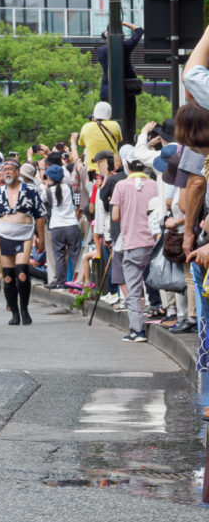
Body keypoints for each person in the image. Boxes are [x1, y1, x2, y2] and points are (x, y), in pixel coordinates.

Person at [0, 159, 47, 325]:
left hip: (24, 235)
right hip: (4, 236)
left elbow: (39, 216)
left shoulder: (30, 191)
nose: (7, 172)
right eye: (5, 170)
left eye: (10, 169)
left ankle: (24, 309)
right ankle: (14, 312)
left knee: (22, 273)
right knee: (9, 277)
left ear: (18, 171)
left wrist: (41, 238)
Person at [111, 159, 159, 342]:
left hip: (133, 241)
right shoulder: (154, 184)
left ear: (127, 168)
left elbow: (115, 215)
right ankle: (164, 310)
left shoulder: (121, 185)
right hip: (155, 241)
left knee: (133, 288)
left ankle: (137, 330)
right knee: (154, 280)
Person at [43, 164, 82, 290]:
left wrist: (46, 186)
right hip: (71, 224)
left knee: (59, 256)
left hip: (57, 227)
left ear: (50, 177)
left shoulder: (48, 191)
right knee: (75, 254)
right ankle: (77, 282)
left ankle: (61, 282)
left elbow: (42, 200)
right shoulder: (68, 186)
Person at [96, 21, 144, 101]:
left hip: (108, 92)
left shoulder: (100, 50)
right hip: (126, 91)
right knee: (129, 113)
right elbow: (139, 31)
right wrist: (123, 23)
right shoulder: (126, 47)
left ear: (107, 34)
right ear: (122, 36)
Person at [78, 102, 122, 172]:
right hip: (112, 168)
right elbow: (119, 140)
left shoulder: (86, 127)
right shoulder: (115, 125)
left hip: (93, 170)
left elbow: (82, 144)